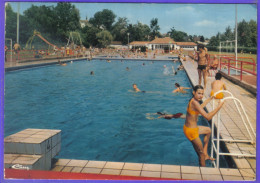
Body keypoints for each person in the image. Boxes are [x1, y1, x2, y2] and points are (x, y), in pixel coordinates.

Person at [184, 85, 224, 166]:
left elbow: (201, 106)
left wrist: (210, 98)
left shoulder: (193, 101)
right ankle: (203, 174)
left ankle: (205, 154)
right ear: (193, 92)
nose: (201, 96)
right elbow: (208, 117)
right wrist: (219, 106)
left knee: (208, 130)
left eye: (202, 94)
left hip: (190, 128)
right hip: (191, 132)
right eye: (199, 93)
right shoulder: (195, 103)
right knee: (200, 155)